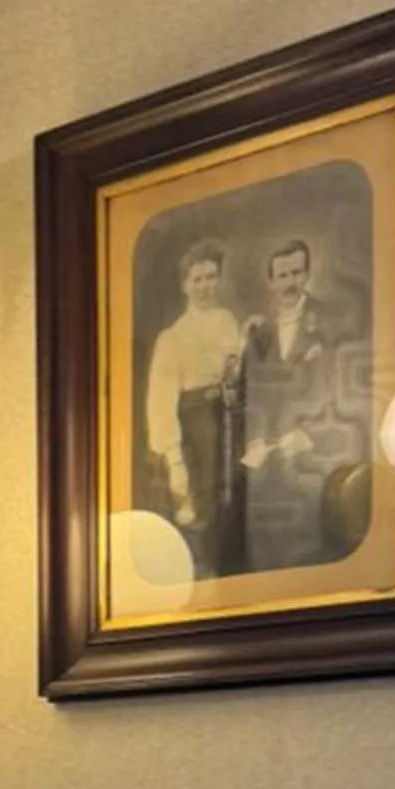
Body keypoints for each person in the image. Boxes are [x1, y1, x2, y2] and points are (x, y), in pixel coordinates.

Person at [239, 237, 364, 570]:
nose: (290, 282)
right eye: (282, 275)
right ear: (271, 281)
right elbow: (252, 393)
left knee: (309, 552)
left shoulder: (331, 320)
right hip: (264, 467)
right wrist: (254, 440)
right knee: (263, 555)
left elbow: (350, 396)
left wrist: (310, 435)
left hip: (313, 462)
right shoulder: (259, 330)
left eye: (296, 273)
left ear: (307, 274)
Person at [140, 241, 245, 573]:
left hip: (229, 424)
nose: (205, 286)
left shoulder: (228, 321)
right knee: (199, 508)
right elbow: (160, 403)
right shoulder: (172, 337)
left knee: (234, 502)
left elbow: (236, 372)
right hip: (195, 431)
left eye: (211, 277)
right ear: (185, 285)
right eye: (197, 279)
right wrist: (175, 460)